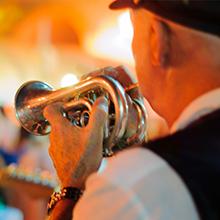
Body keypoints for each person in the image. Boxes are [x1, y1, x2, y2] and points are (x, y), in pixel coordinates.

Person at [43, 0, 220, 220]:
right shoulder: (144, 174)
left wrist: (71, 184)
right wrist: (133, 148)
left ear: (157, 40)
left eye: (134, 32)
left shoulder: (131, 186)